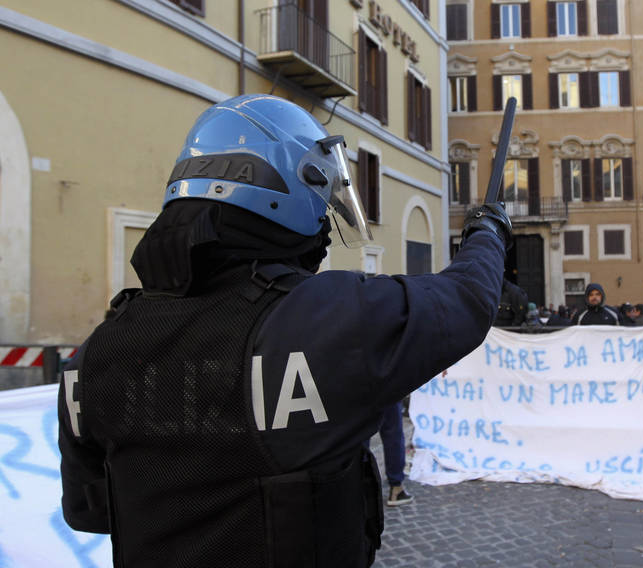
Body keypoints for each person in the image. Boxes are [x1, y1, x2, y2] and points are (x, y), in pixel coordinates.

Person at [57, 94, 510, 568]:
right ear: (288, 190)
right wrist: (489, 230)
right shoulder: (328, 319)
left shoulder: (92, 357)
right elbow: (467, 301)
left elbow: (91, 513)